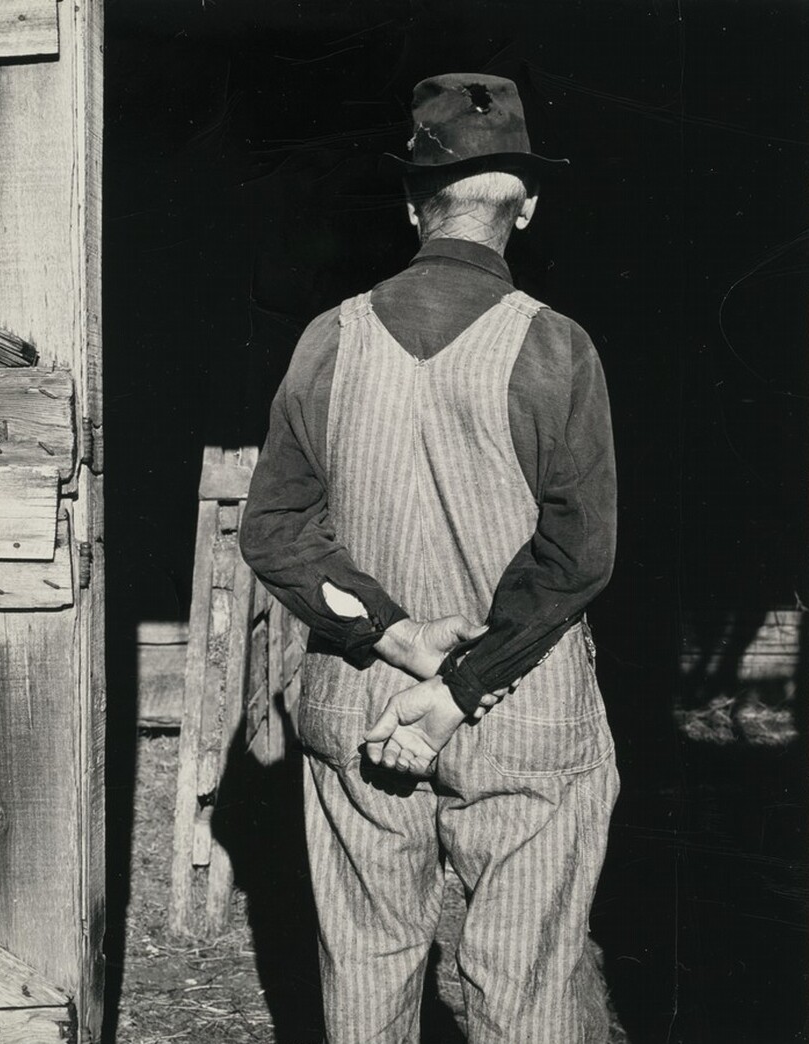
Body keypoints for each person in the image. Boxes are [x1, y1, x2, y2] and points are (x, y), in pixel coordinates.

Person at [240, 72, 619, 1044]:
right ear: (525, 205)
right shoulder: (557, 348)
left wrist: (398, 637)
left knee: (365, 983)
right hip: (522, 716)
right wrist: (461, 685)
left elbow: (276, 529)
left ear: (415, 202)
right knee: (525, 997)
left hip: (362, 701)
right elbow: (578, 555)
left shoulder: (330, 341)